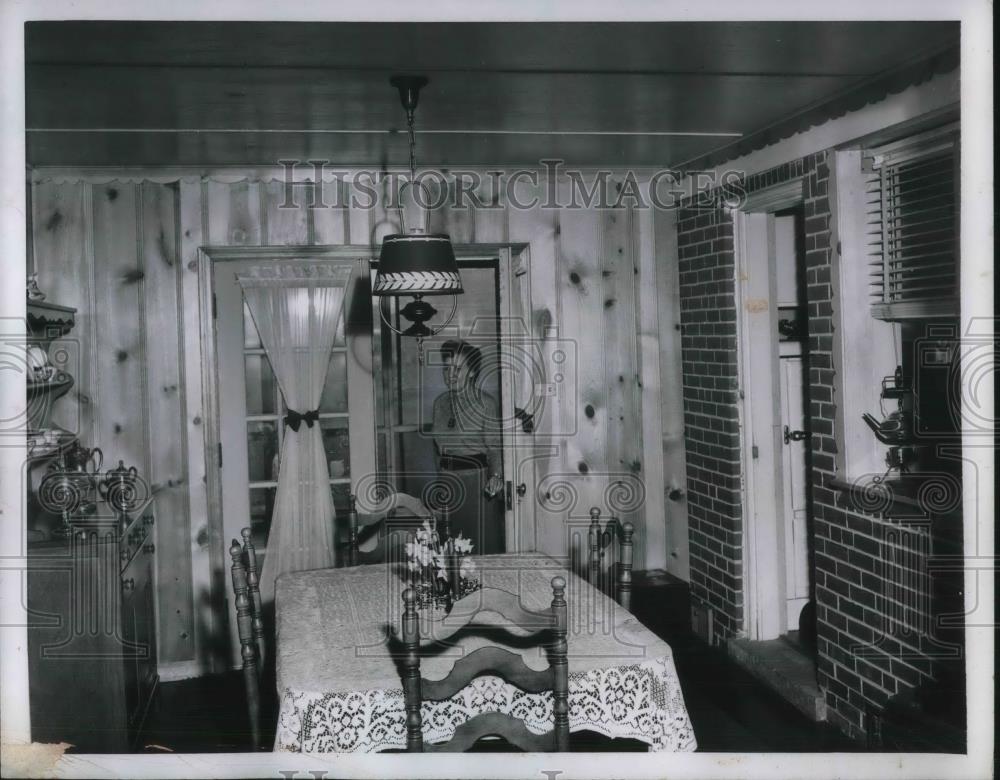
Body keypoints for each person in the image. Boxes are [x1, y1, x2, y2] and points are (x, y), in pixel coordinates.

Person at [429, 339, 504, 554]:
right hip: (447, 483)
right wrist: (439, 483)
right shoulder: (440, 403)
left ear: (472, 372)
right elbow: (438, 451)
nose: (450, 374)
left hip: (477, 485)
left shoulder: (485, 403)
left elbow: (494, 448)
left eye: (458, 368)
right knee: (448, 550)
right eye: (447, 368)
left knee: (479, 547)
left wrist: (495, 477)